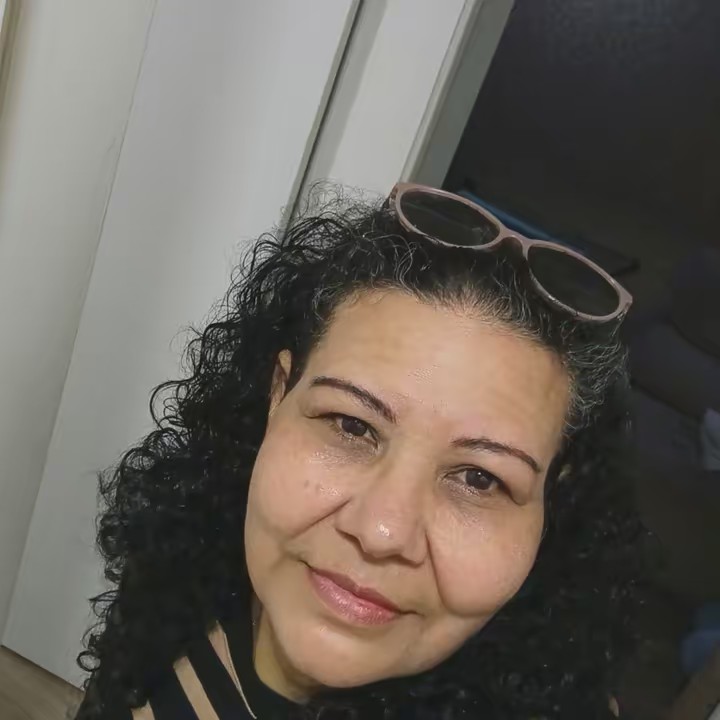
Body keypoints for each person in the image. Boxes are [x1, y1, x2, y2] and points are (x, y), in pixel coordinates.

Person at [74, 185, 644, 719]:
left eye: (479, 478)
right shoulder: (182, 560)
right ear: (279, 395)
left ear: (552, 501)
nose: (381, 531)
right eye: (351, 425)